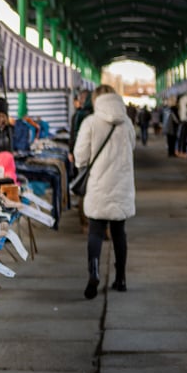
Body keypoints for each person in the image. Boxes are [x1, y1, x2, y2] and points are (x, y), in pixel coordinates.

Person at [73, 84, 136, 300]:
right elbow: (133, 146)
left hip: (99, 184)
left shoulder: (90, 122)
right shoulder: (126, 122)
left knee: (96, 232)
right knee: (119, 232)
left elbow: (80, 156)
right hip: (122, 184)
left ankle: (95, 272)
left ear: (96, 99)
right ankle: (121, 278)